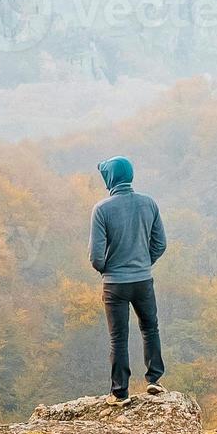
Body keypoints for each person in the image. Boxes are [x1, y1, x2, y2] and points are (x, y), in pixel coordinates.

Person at [89, 156, 167, 403]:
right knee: (150, 328)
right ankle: (154, 380)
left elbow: (96, 256)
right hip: (143, 281)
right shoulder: (149, 204)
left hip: (115, 284)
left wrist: (107, 269)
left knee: (118, 338)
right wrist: (144, 263)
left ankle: (120, 392)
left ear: (110, 178)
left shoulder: (102, 209)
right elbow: (160, 244)